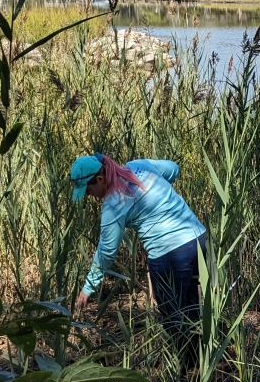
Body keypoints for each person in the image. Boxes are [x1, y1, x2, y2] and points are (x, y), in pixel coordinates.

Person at [70, 152, 206, 367]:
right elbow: (172, 168)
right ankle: (208, 361)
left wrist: (88, 288)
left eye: (87, 190)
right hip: (198, 240)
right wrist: (159, 194)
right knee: (193, 306)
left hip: (168, 254)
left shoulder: (113, 205)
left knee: (173, 316)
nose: (89, 196)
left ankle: (190, 370)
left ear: (99, 179)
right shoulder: (140, 166)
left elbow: (106, 252)